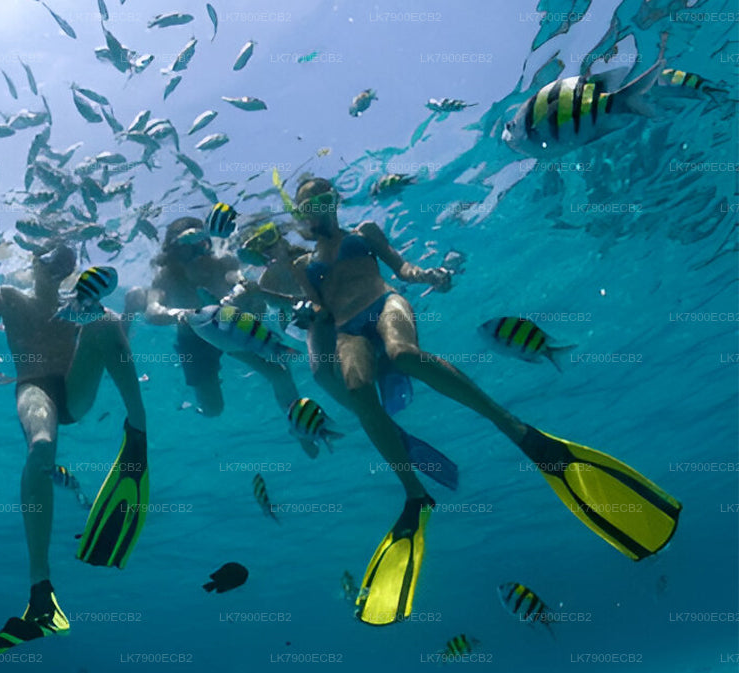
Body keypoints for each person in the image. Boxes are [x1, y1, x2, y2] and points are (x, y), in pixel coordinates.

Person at [274, 176, 681, 626]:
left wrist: (428, 275)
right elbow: (320, 312)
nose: (320, 208)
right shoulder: (302, 265)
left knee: (403, 353)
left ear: (336, 200)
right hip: (347, 329)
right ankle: (415, 495)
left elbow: (401, 268)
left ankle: (515, 429)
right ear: (300, 213)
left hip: (385, 303)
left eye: (326, 198)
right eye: (310, 204)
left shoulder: (365, 232)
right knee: (357, 390)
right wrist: (304, 314)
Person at [0, 240, 148, 654]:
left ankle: (139, 434)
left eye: (64, 264)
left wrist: (129, 312)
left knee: (106, 321)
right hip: (34, 387)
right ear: (34, 263)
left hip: (75, 390)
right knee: (41, 447)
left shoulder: (79, 306)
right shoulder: (9, 297)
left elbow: (112, 347)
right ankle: (40, 593)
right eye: (51, 261)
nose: (56, 269)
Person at [124, 216, 322, 460]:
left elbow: (241, 280)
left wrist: (240, 292)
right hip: (194, 338)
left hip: (229, 327)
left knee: (279, 372)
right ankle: (188, 406)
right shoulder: (166, 277)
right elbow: (153, 311)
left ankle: (302, 430)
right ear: (173, 253)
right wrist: (181, 314)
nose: (199, 255)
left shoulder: (223, 262)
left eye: (203, 245)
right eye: (188, 248)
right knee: (213, 408)